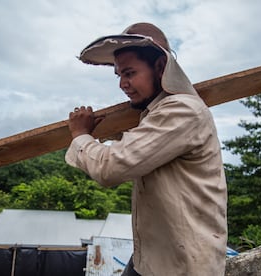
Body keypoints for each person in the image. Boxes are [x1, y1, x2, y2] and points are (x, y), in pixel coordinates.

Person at [65, 22, 227, 276]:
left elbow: (110, 167)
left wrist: (80, 135)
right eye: (119, 75)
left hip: (183, 267)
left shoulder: (182, 111)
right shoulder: (156, 114)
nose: (122, 84)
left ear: (160, 67)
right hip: (151, 259)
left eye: (129, 73)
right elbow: (137, 141)